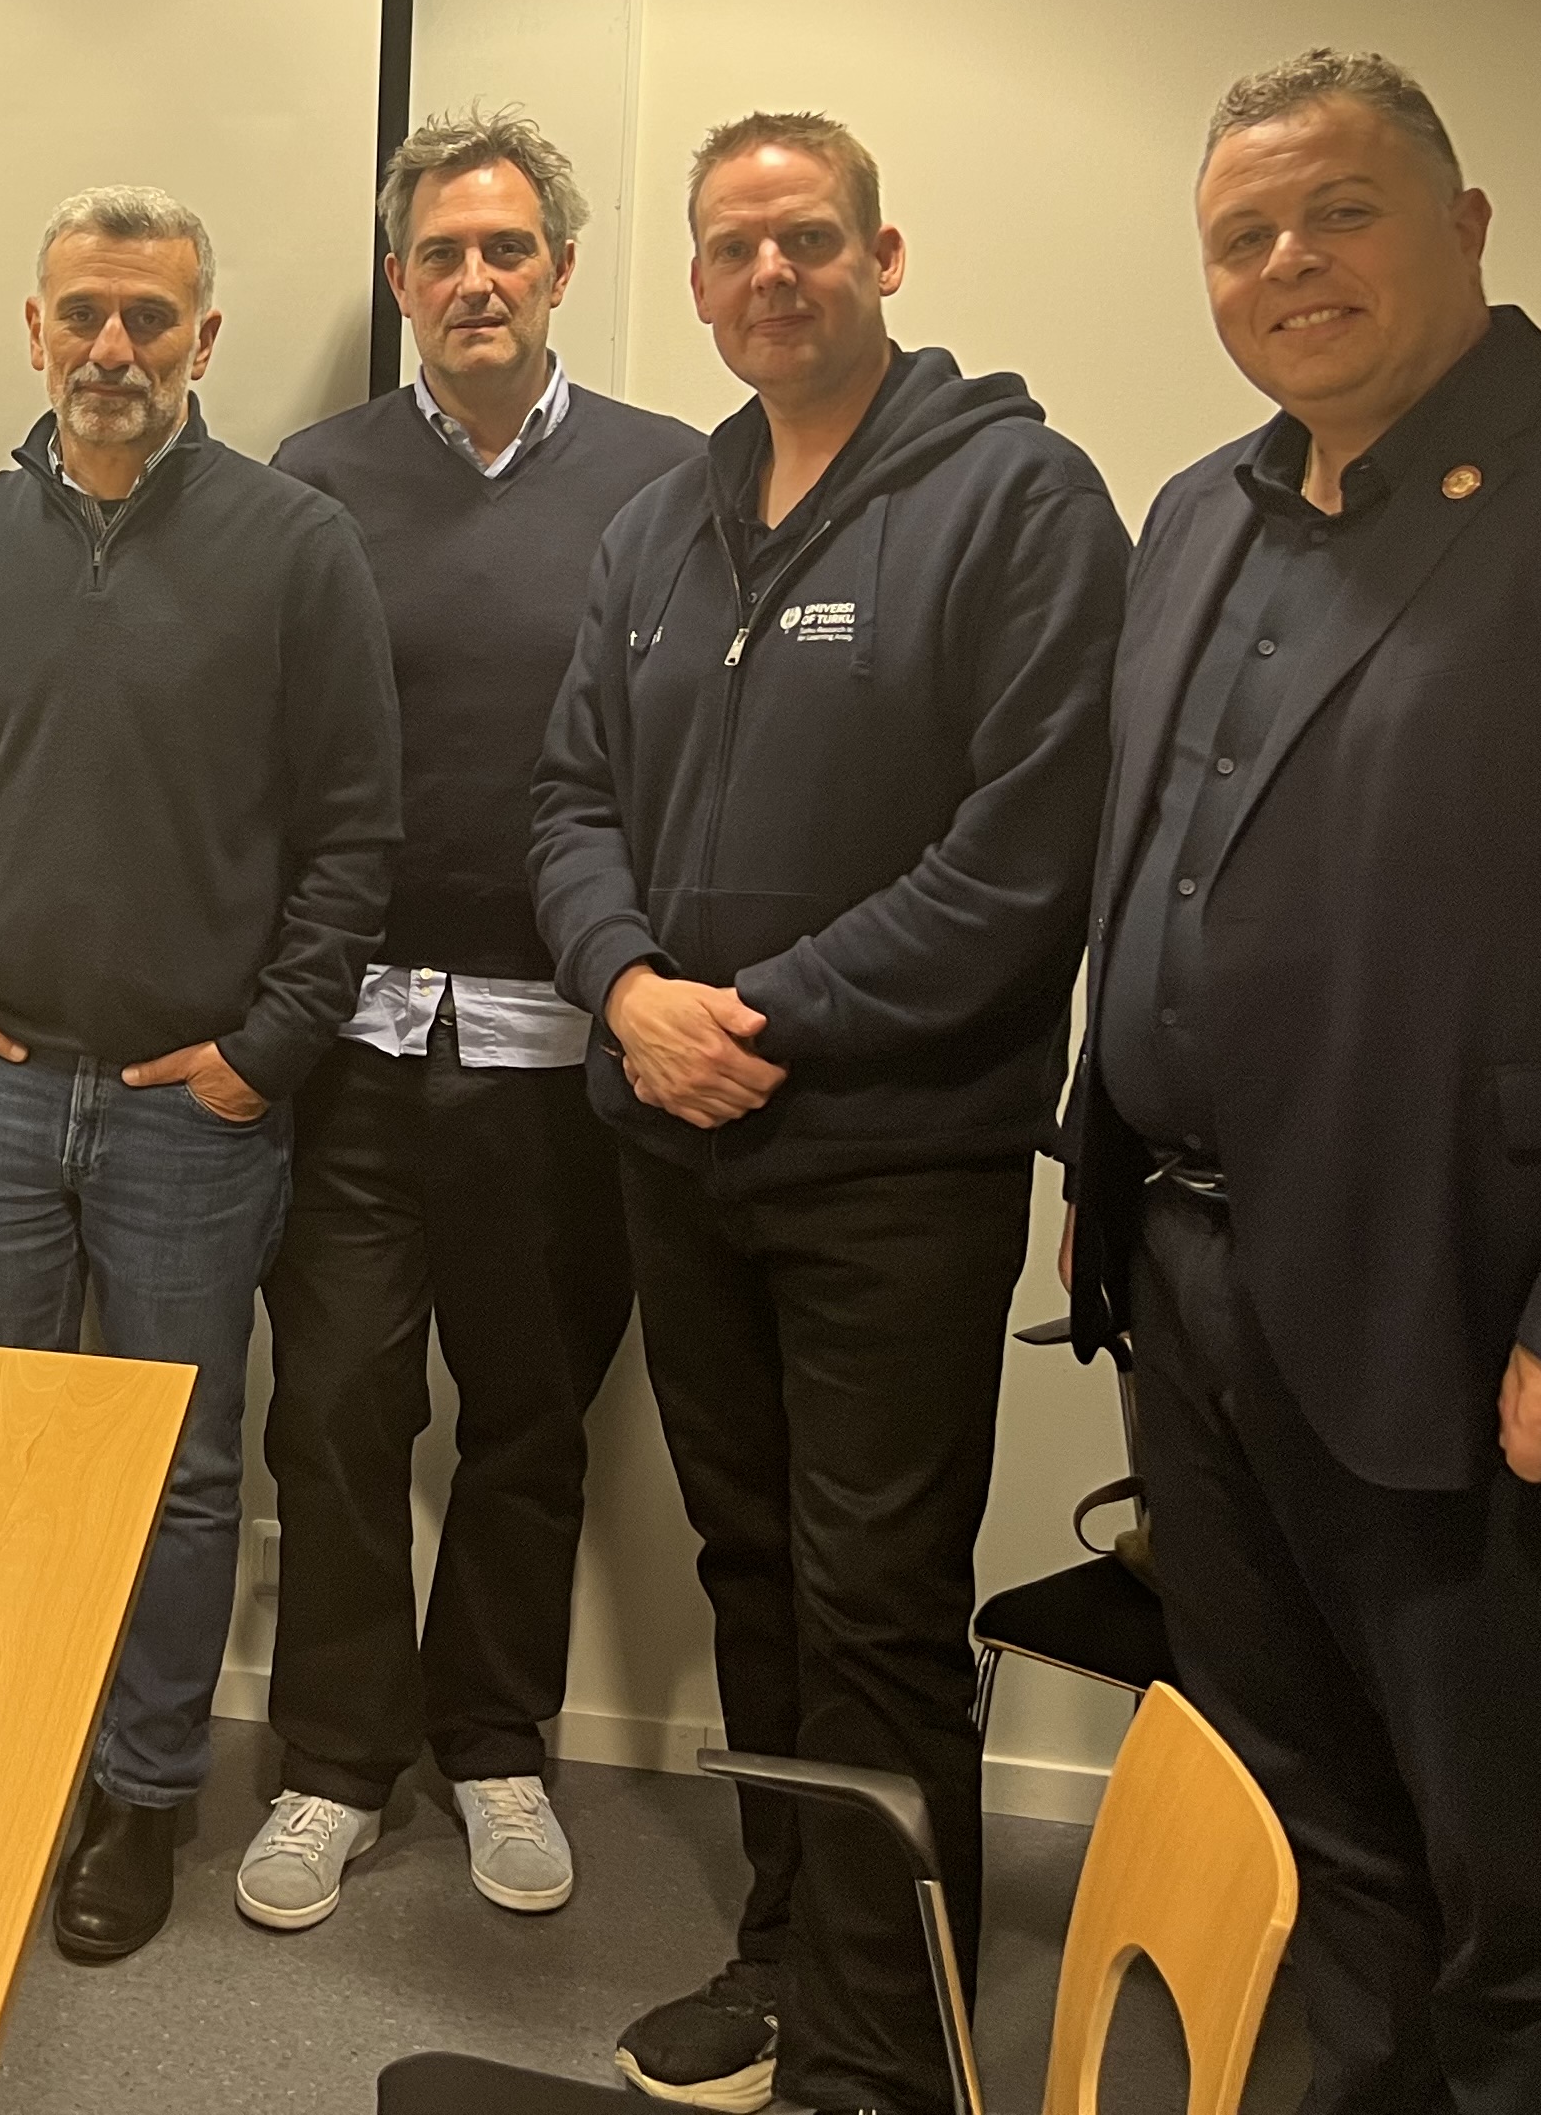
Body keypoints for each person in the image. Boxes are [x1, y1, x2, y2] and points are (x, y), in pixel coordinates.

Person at [1063, 50, 1541, 2115]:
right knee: (1318, 1846)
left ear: (1464, 226)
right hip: (1198, 1287)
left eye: (1340, 210)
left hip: (1486, 1323)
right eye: (1242, 236)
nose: (1289, 261)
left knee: (1535, 1907)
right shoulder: (1197, 512)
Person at [530, 112, 1126, 2115]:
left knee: (876, 1600)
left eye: (805, 238)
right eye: (731, 247)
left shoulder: (1019, 501)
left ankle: (884, 2044)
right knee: (753, 1569)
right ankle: (786, 1946)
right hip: (675, 1141)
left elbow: (1021, 857)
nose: (767, 274)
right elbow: (569, 798)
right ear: (697, 281)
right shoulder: (658, 524)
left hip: (893, 1159)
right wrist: (627, 987)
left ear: (883, 254)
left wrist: (753, 1016)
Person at [0, 185, 402, 1965]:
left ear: (204, 336)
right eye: (84, 314)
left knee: (179, 1473)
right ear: (34, 330)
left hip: (192, 1107)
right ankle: (10, 1755)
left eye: (151, 317)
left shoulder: (296, 542)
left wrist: (268, 1050)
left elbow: (354, 832)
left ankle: (143, 1787)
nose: (115, 348)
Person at [245, 115, 698, 1935]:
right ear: (399, 279)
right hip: (351, 1036)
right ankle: (335, 1761)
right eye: (441, 252)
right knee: (335, 1411)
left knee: (527, 1418)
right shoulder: (314, 480)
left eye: (508, 248)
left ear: (561, 271)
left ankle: (494, 1738)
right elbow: (269, 754)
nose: (475, 279)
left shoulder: (670, 480)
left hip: (566, 1048)